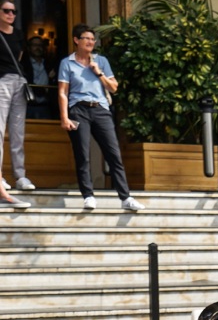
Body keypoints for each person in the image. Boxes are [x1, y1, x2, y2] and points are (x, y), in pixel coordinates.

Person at [57, 23, 144, 212]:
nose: (90, 42)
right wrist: (64, 117)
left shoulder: (101, 61)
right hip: (78, 110)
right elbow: (63, 92)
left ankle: (125, 197)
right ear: (76, 40)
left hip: (101, 110)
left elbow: (113, 87)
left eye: (92, 39)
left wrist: (99, 73)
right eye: (86, 38)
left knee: (114, 154)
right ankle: (88, 195)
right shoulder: (67, 63)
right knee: (83, 154)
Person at [0, 0, 33, 206]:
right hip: (1, 81)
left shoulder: (19, 34)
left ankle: (20, 176)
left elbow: (20, 56)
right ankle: (1, 178)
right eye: (6, 11)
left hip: (19, 82)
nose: (11, 15)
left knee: (18, 131)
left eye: (14, 11)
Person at [20, 35, 58, 121]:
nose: (38, 48)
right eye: (34, 45)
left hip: (46, 106)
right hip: (28, 105)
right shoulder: (23, 65)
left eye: (40, 45)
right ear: (29, 48)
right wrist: (41, 90)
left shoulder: (49, 63)